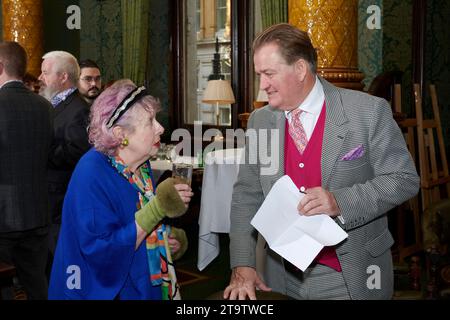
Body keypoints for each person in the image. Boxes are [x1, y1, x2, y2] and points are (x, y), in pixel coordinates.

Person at [224, 23, 420, 300]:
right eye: (259, 75)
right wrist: (243, 264)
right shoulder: (261, 121)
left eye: (269, 74)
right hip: (284, 274)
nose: (262, 85)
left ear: (301, 69)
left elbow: (404, 180)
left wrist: (340, 202)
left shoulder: (367, 111)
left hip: (351, 272)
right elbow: (246, 195)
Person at [48, 79, 192, 300]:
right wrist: (158, 208)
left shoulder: (140, 166)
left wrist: (167, 238)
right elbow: (100, 252)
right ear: (119, 134)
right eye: (150, 122)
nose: (160, 128)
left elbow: (135, 224)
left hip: (140, 283)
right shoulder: (91, 173)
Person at [0, 41, 53, 299]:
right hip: (37, 212)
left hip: (3, 217)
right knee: (36, 283)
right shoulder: (44, 107)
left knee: (4, 285)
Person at [38, 51, 91, 262]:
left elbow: (77, 153)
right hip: (48, 197)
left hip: (61, 198)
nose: (40, 77)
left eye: (45, 72)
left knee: (60, 259)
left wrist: (41, 149)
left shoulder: (79, 110)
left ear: (63, 77)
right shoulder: (52, 104)